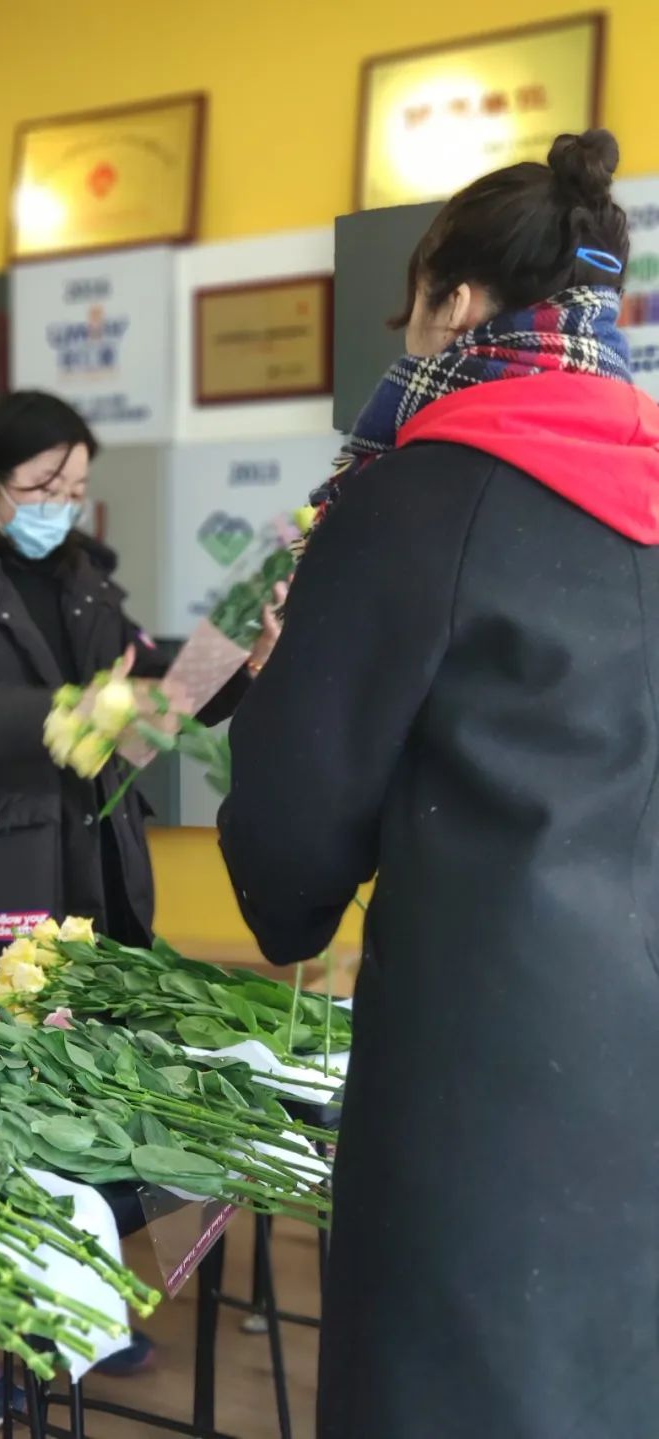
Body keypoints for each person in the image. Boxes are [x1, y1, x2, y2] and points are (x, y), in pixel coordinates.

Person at [219, 130, 659, 1439]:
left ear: (458, 301)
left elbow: (292, 846)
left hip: (486, 1088)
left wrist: (289, 877)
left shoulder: (414, 499)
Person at [0, 389, 281, 1007]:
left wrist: (246, 661)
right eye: (43, 489)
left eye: (75, 492)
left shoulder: (81, 581)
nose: (60, 507)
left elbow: (153, 694)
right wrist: (64, 711)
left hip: (97, 879)